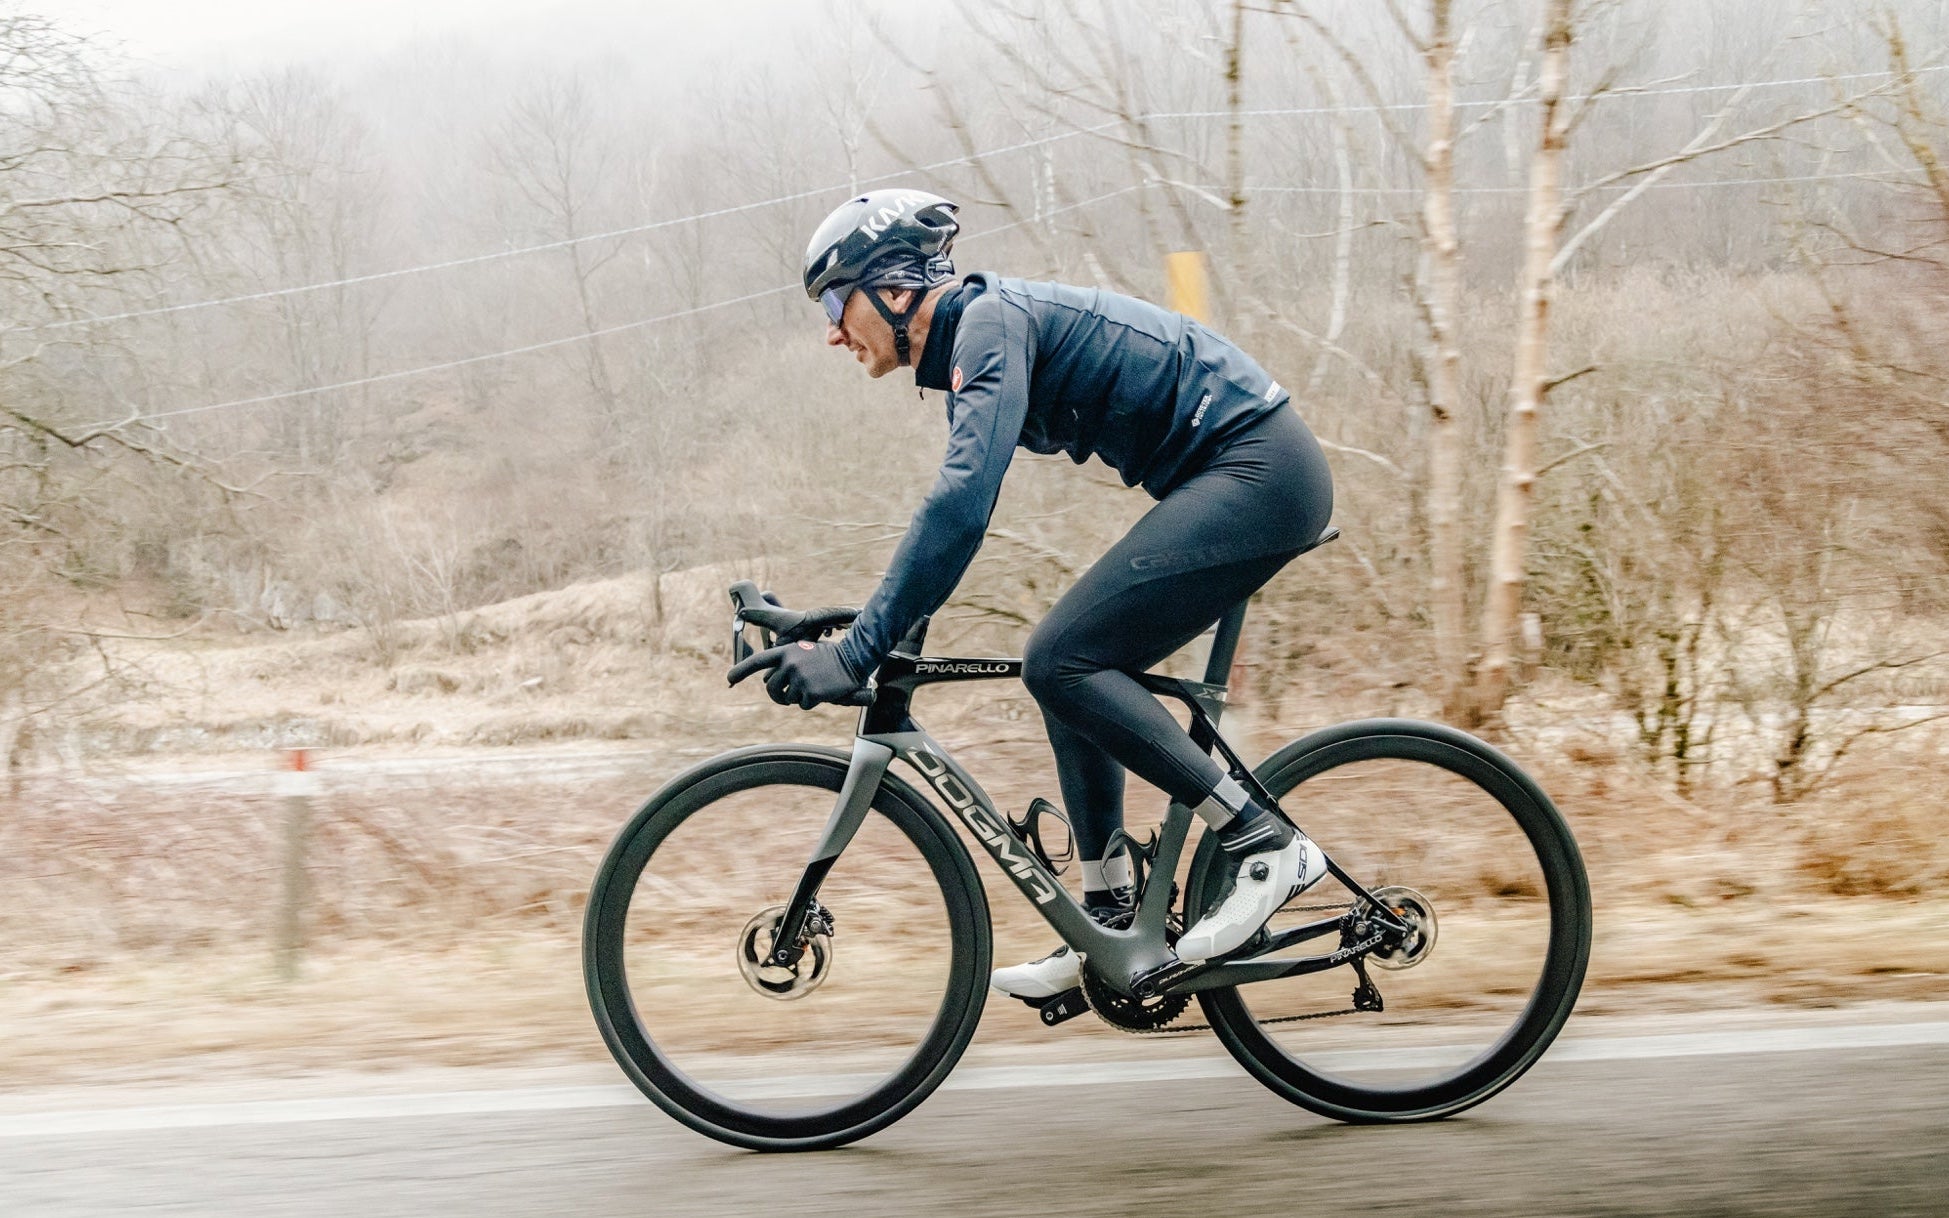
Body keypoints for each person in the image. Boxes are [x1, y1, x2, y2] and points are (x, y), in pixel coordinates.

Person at [749, 187, 1336, 1000]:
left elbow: (960, 508)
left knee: (1062, 658)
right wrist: (851, 628)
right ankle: (1109, 920)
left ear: (891, 290)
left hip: (1260, 470)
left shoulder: (988, 327)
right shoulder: (969, 346)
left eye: (836, 304)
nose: (829, 332)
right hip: (1228, 474)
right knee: (1066, 669)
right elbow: (951, 520)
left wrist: (860, 650)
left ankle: (1264, 840)